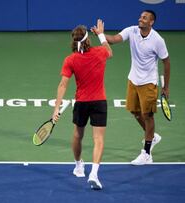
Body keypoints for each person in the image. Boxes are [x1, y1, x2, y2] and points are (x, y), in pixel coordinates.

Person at [52, 19, 112, 190]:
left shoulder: (70, 60)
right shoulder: (100, 52)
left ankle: (79, 166)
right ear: (88, 39)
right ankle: (94, 173)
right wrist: (101, 34)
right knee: (98, 139)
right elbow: (110, 51)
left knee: (78, 135)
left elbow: (63, 84)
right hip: (99, 102)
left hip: (82, 103)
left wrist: (56, 108)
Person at [104, 10, 171, 165]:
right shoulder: (132, 31)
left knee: (148, 116)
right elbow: (114, 39)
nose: (140, 19)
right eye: (141, 17)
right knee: (135, 111)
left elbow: (166, 62)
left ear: (151, 22)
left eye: (144, 18)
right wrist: (101, 35)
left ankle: (147, 154)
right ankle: (152, 136)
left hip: (148, 83)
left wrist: (166, 87)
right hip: (133, 80)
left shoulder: (158, 40)